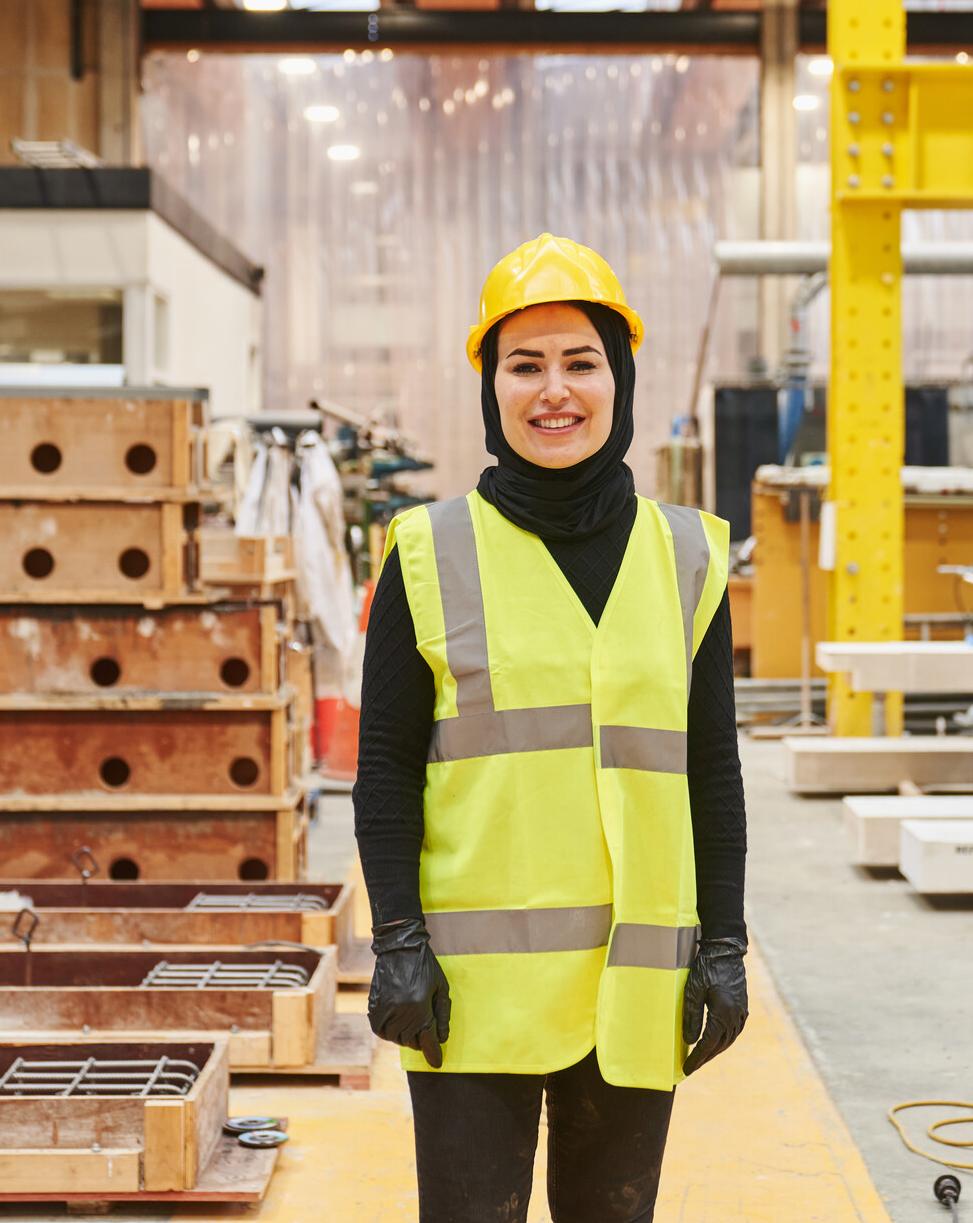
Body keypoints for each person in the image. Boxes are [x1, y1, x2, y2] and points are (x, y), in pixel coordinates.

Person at [354, 233, 750, 1223]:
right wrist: (396, 938)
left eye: (579, 362)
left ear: (617, 377)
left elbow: (710, 775)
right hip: (469, 997)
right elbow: (386, 774)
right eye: (523, 365)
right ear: (490, 387)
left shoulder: (688, 556)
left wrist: (727, 943)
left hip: (632, 992)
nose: (552, 391)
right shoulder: (425, 551)